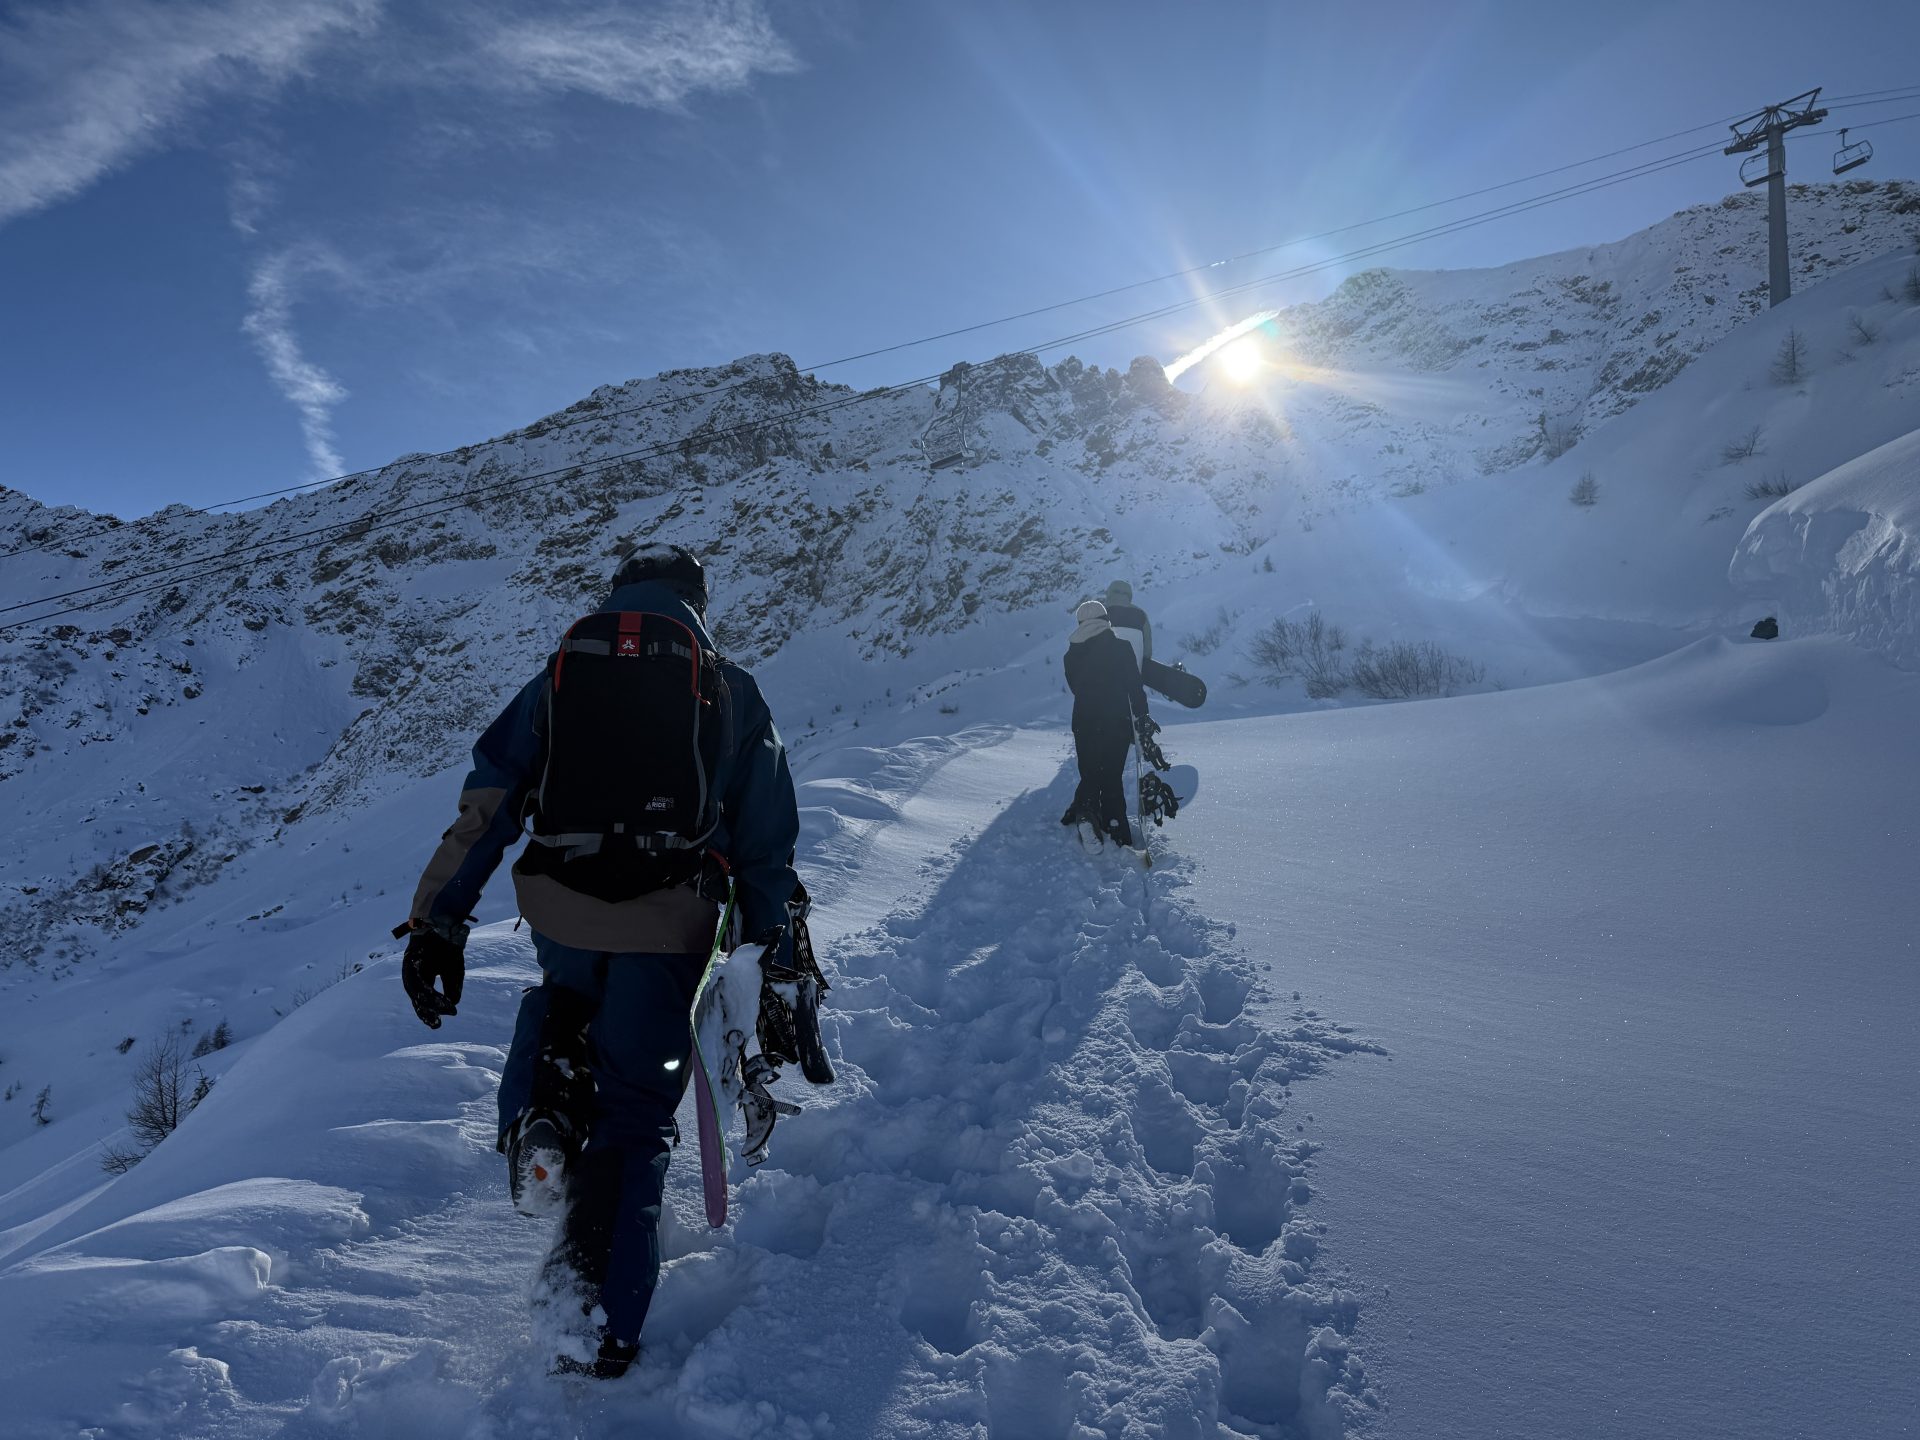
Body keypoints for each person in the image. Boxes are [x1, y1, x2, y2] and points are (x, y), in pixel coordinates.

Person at [393, 543, 819, 1379]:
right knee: (633, 1115)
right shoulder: (727, 685)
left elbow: (490, 802)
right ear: (698, 599)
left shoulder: (563, 672)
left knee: (563, 1001)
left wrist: (438, 920)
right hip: (669, 927)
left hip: (559, 909)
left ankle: (540, 1107)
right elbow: (766, 839)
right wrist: (764, 946)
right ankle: (590, 1318)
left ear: (618, 590)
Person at [1061, 599, 1151, 848]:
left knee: (1089, 772)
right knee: (1111, 775)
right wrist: (1143, 716)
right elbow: (1135, 686)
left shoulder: (1070, 655)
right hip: (1116, 721)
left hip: (1084, 721)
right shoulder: (1121, 647)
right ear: (1105, 620)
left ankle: (1087, 815)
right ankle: (1117, 829)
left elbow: (1076, 688)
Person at [1101, 580, 1152, 669]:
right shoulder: (1141, 614)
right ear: (1130, 596)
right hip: (1132, 676)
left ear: (1109, 593)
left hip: (1100, 675)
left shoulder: (1097, 611)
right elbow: (1147, 652)